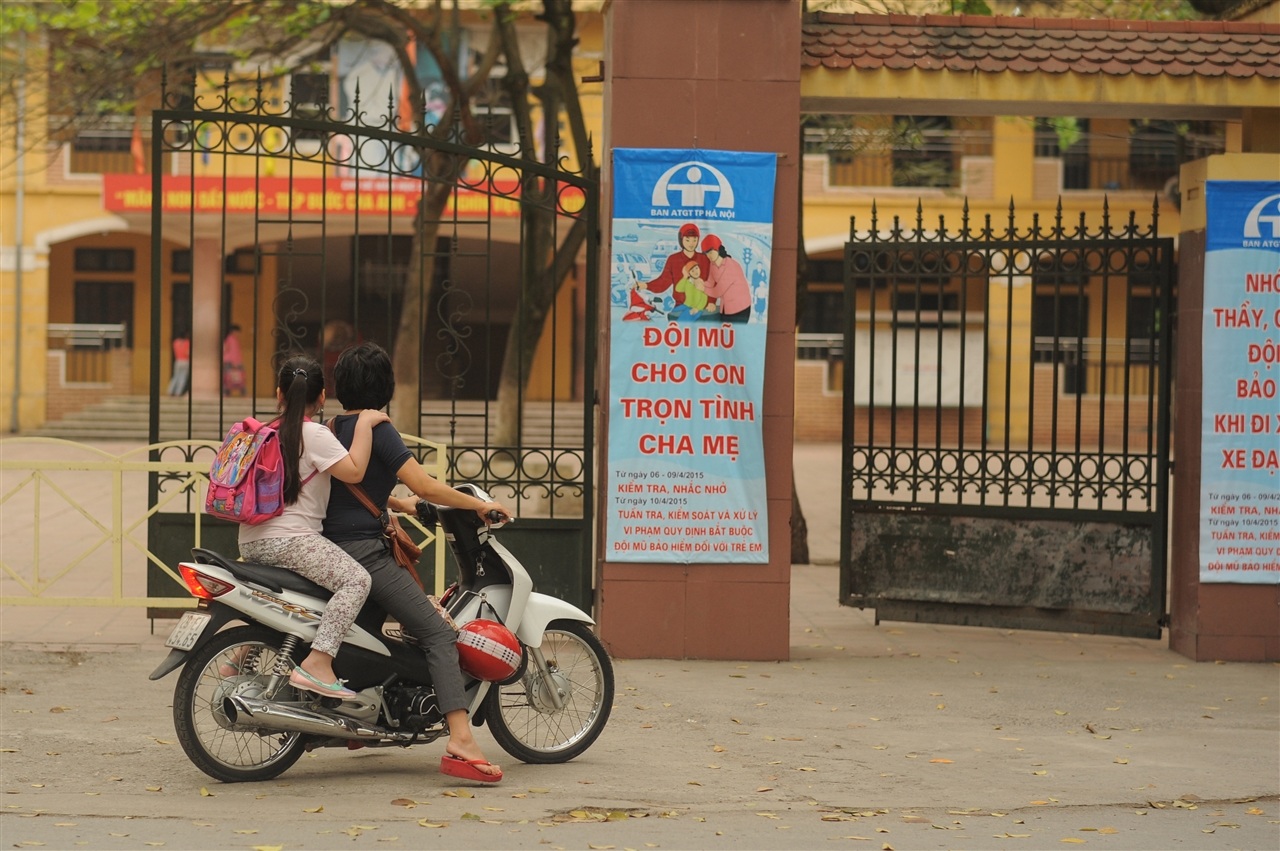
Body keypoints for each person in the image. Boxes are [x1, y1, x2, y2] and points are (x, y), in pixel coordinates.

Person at [323, 342, 514, 783]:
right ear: (385, 386)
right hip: (363, 552)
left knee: (368, 632)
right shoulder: (380, 428)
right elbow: (426, 485)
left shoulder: (331, 426)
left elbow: (351, 484)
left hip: (331, 548)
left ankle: (359, 722)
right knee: (437, 632)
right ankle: (461, 741)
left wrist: (398, 504)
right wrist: (477, 506)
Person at [237, 355, 389, 698]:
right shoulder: (315, 434)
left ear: (279, 393)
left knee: (292, 603)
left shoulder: (264, 434)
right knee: (355, 580)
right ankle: (319, 661)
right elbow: (354, 473)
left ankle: (239, 657)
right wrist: (364, 425)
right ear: (321, 398)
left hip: (251, 542)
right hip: (291, 542)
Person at [639, 222, 709, 300]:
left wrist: (711, 302)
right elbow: (663, 282)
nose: (691, 244)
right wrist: (646, 285)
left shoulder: (704, 259)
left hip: (701, 304)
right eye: (687, 240)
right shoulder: (673, 259)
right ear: (681, 240)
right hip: (679, 305)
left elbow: (712, 283)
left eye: (694, 240)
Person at [700, 234, 753, 323]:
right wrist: (700, 282)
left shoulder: (730, 266)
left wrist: (702, 288)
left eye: (711, 251)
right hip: (726, 308)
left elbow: (717, 291)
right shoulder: (712, 265)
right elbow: (710, 282)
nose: (709, 255)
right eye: (706, 253)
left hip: (740, 309)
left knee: (735, 335)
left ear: (719, 249)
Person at [222, 325, 246, 396]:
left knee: (228, 377)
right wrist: (234, 363)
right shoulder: (231, 340)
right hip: (232, 362)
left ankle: (227, 392)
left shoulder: (231, 339)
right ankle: (242, 393)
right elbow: (232, 352)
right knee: (230, 377)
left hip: (232, 361)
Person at [168, 332, 190, 396]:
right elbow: (187, 353)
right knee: (182, 378)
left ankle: (170, 390)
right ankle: (178, 392)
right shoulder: (187, 343)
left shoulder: (176, 342)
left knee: (175, 376)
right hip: (185, 361)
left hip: (178, 360)